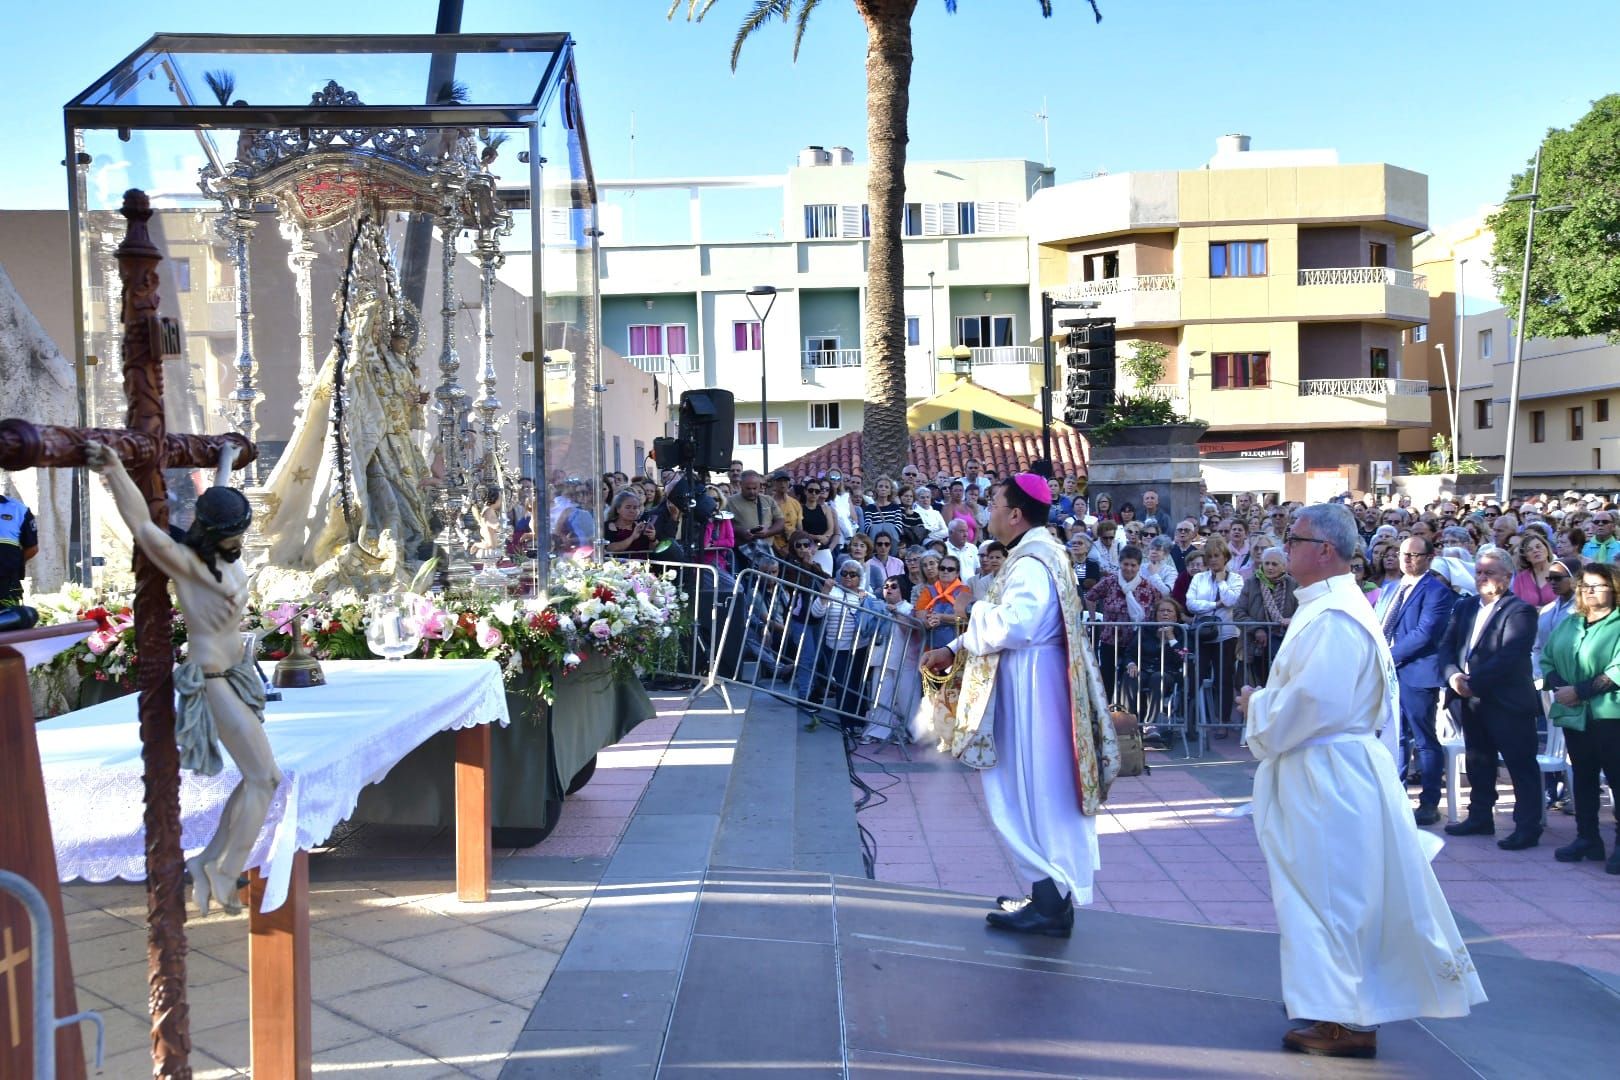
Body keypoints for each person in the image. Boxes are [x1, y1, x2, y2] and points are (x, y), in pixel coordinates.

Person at [1237, 503, 1485, 1058]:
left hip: (1329, 776)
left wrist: (1257, 705)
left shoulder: (1335, 618)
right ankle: (1333, 1005)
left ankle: (1348, 1020)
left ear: (1325, 550)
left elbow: (1315, 703)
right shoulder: (1330, 605)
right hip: (1326, 768)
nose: (1284, 547)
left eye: (1293, 538)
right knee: (1323, 893)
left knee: (1333, 896)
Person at [85, 440, 284, 917]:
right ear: (214, 534)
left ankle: (208, 861)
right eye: (233, 534)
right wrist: (113, 468)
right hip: (213, 679)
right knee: (265, 779)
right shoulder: (188, 565)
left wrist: (223, 462)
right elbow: (142, 526)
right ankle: (225, 870)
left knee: (255, 778)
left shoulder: (222, 551)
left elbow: (213, 502)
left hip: (237, 674)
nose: (239, 541)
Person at [920, 475, 1114, 938]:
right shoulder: (1041, 551)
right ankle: (1047, 895)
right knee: (1034, 787)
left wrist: (973, 611)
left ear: (1015, 514)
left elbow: (1016, 626)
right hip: (1036, 680)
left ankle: (1050, 904)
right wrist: (955, 645)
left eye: (994, 504)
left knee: (1030, 789)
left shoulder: (1031, 560)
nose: (987, 512)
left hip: (1033, 688)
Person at [1439, 550, 1544, 849]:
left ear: (1507, 577)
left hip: (1507, 701)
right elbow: (1446, 647)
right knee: (1478, 760)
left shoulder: (1520, 610)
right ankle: (1480, 816)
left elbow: (1508, 655)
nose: (1482, 578)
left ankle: (1527, 826)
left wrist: (1472, 683)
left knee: (1520, 765)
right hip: (1471, 700)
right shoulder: (1465, 606)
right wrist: (1454, 677)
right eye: (1479, 572)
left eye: (1489, 572)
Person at [1542, 562, 1620, 871]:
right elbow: (1547, 657)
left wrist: (1580, 691)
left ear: (1614, 589)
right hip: (1574, 715)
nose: (1589, 591)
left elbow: (1617, 669)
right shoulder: (1571, 622)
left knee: (1617, 779)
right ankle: (1588, 838)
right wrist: (1560, 686)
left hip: (1610, 715)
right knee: (1584, 778)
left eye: (1597, 585)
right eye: (1584, 585)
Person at [1383, 537, 1458, 825]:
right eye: (1404, 554)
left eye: (1415, 555)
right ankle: (1396, 799)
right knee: (1396, 738)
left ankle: (1429, 803)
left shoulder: (1437, 592)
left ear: (1429, 557)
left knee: (1424, 740)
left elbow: (1425, 633)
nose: (1407, 559)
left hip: (1417, 673)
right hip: (1391, 675)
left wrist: (1387, 657)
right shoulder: (1391, 588)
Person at [1187, 536, 1244, 737]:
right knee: (1195, 676)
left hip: (1226, 636)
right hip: (1202, 635)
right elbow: (1191, 604)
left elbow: (1231, 601)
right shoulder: (1198, 578)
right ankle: (1191, 721)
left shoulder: (1236, 579)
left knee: (1224, 679)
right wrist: (1214, 605)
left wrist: (1221, 582)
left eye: (1216, 556)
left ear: (1225, 557)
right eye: (1209, 556)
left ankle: (1223, 721)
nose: (1212, 560)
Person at [1235, 548, 1297, 687]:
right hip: (1254, 646)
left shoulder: (1293, 584)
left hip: (1285, 646)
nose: (1270, 567)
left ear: (1283, 566)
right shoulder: (1251, 583)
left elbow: (1302, 611)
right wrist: (1257, 629)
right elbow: (1238, 612)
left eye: (1274, 564)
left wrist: (1292, 620)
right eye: (1267, 563)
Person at [0, 484, 39, 606]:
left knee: (10, 617)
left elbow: (32, 548)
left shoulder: (18, 510)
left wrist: (14, 564)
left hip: (7, 584)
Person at [603, 489, 654, 555]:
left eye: (635, 508)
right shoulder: (607, 527)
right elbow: (610, 548)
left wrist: (652, 539)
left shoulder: (641, 526)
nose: (632, 511)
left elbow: (653, 550)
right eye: (628, 507)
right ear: (618, 509)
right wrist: (632, 537)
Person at [768, 470, 804, 558]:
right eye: (779, 481)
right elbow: (768, 528)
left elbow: (799, 528)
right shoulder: (769, 503)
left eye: (785, 481)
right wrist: (778, 549)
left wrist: (794, 546)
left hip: (793, 547)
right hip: (774, 549)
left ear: (789, 483)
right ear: (774, 483)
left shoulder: (795, 503)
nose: (783, 484)